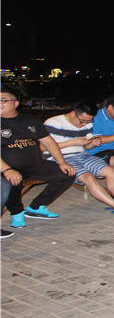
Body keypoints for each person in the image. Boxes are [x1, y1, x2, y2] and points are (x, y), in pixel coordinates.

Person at [42, 101, 114, 214]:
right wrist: (72, 142)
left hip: (81, 155)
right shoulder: (54, 123)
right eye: (82, 121)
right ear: (73, 114)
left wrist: (92, 143)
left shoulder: (88, 124)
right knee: (88, 177)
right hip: (60, 158)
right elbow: (43, 148)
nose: (84, 125)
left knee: (111, 171)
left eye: (88, 121)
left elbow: (87, 147)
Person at [1, 89, 76, 228]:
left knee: (67, 173)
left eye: (3, 100)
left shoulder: (30, 120)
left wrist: (62, 162)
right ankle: (16, 212)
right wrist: (7, 170)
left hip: (34, 165)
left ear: (15, 103)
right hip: (7, 168)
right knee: (13, 181)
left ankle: (37, 206)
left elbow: (48, 141)